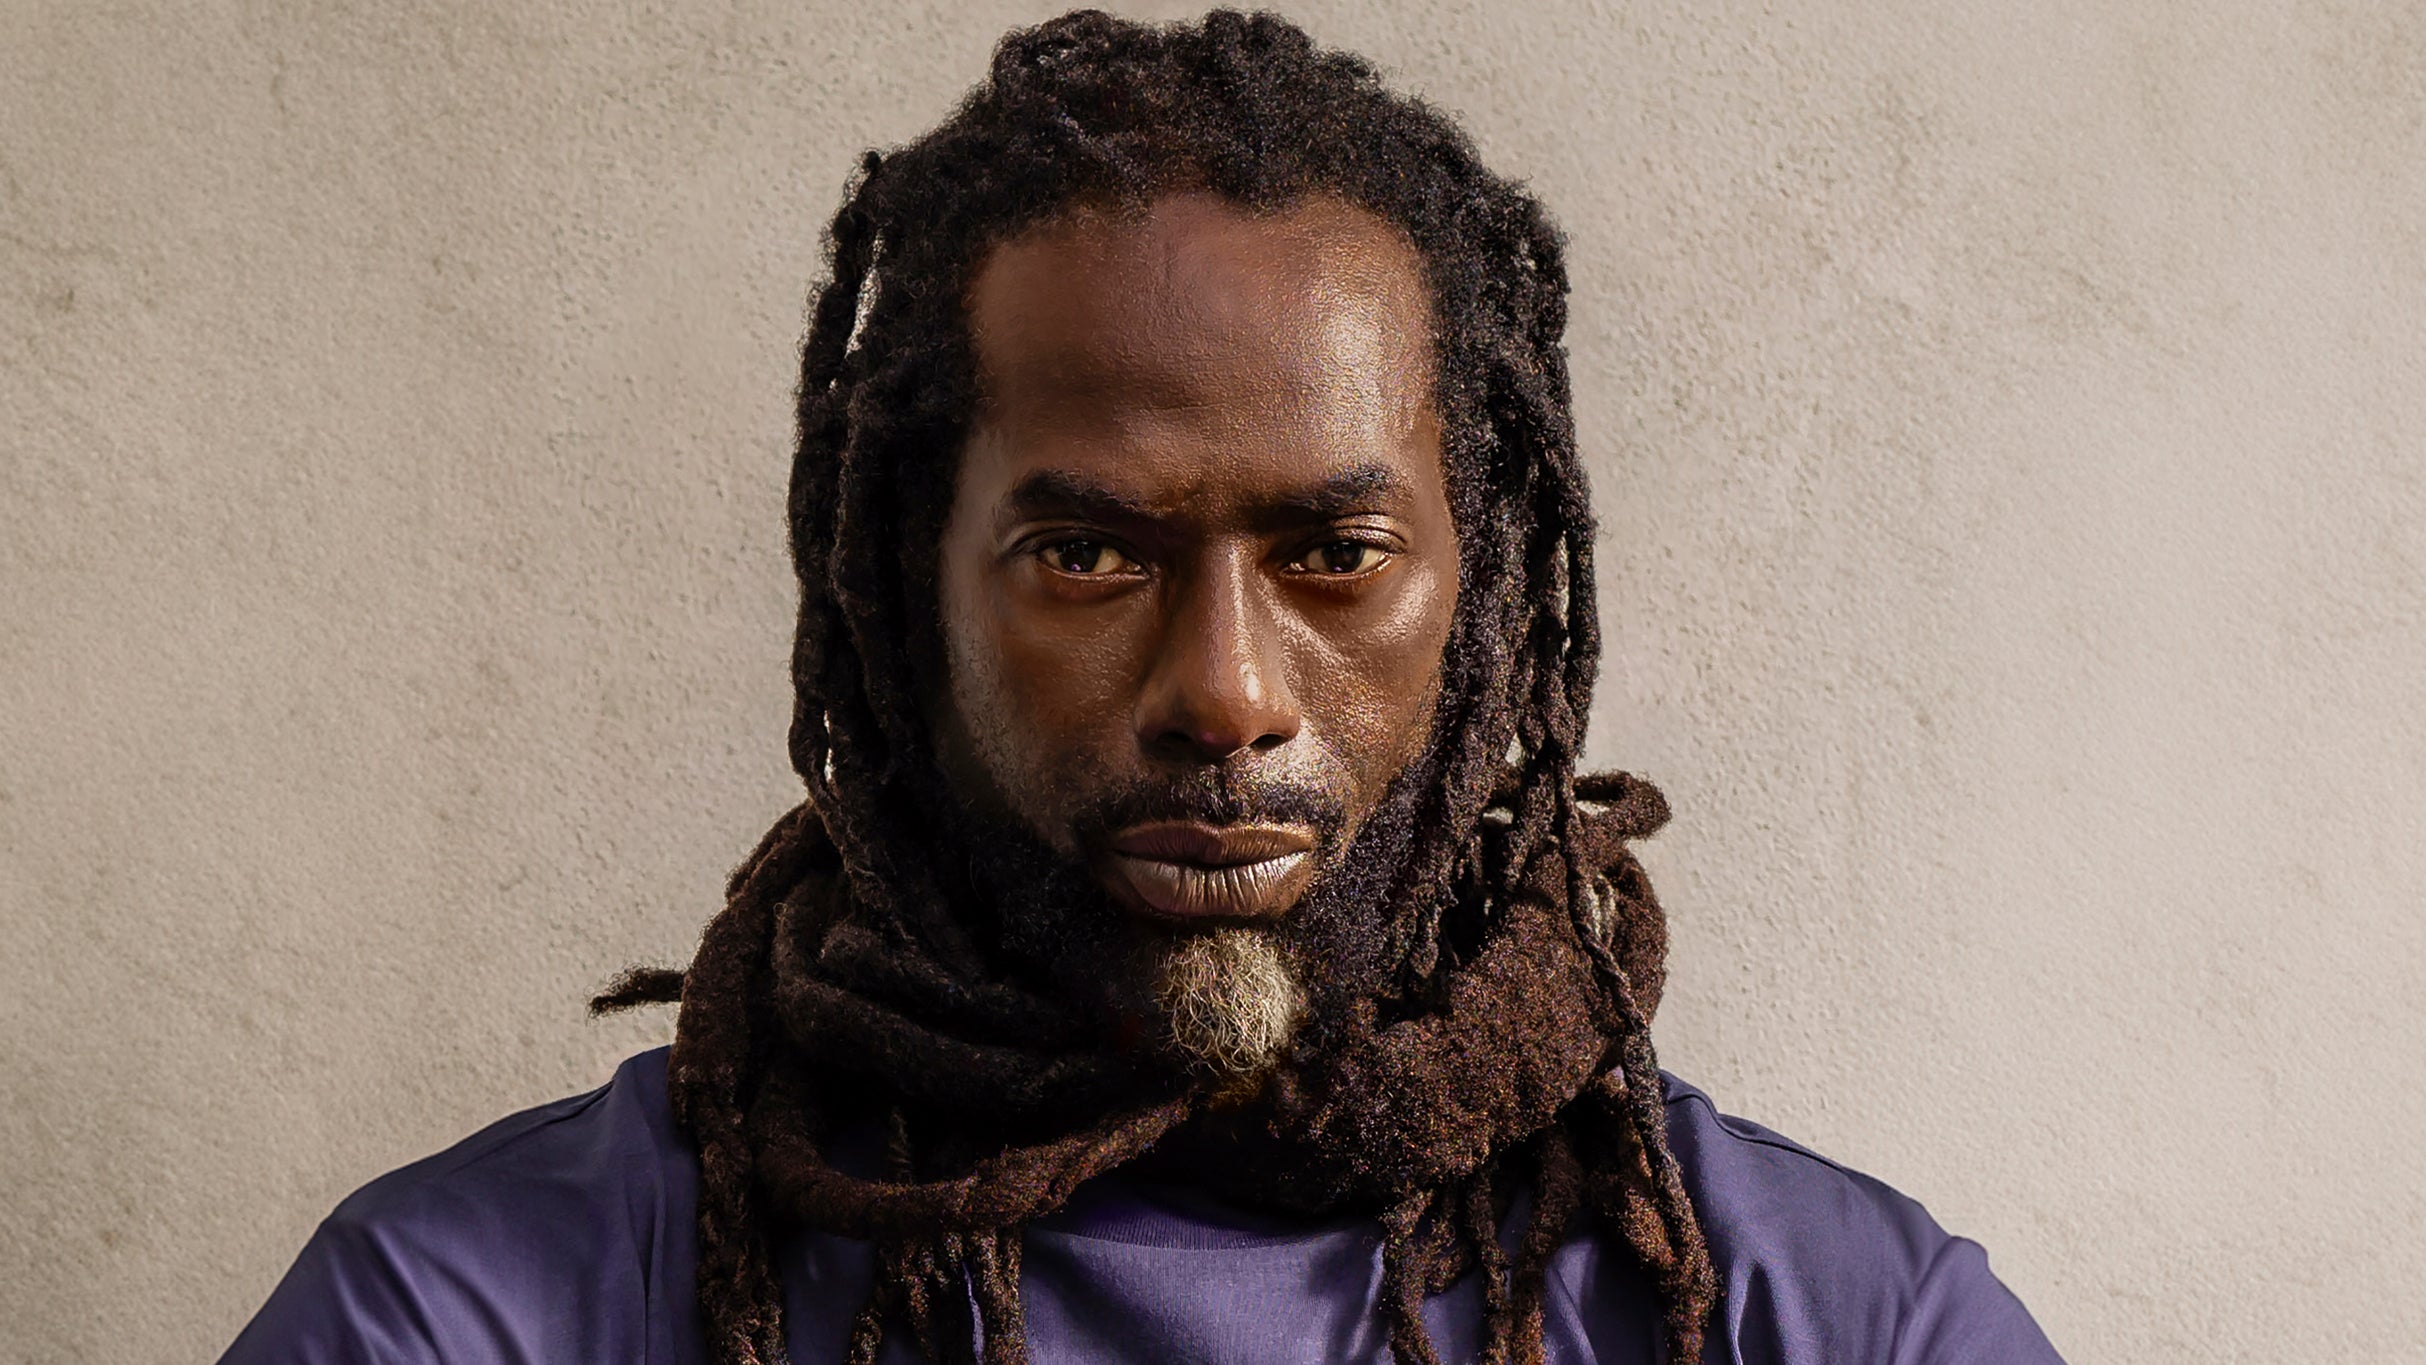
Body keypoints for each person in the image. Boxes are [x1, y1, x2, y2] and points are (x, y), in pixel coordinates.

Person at [220, 10, 2064, 1363]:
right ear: (905, 590)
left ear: (1483, 588)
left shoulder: (1829, 1318)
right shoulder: (467, 1311)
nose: (1226, 694)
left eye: (1334, 552)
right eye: (1089, 556)